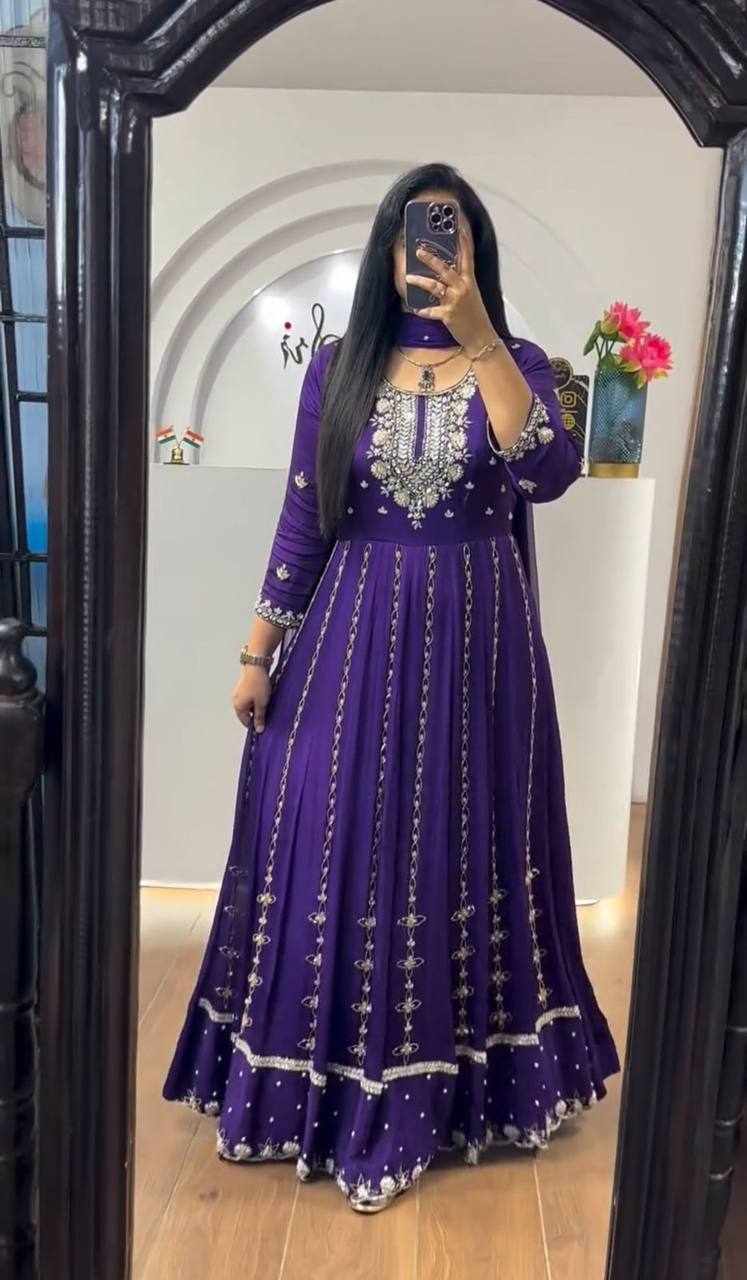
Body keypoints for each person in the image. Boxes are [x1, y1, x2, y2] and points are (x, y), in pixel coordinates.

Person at [163, 162, 621, 1214]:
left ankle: (453, 1092)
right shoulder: (340, 367)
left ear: (477, 254)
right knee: (338, 831)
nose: (432, 257)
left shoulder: (521, 364)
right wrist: (255, 651)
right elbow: (304, 512)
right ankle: (309, 1084)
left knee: (457, 837)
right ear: (386, 253)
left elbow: (547, 471)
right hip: (351, 633)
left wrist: (478, 332)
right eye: (416, 238)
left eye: (452, 238)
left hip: (478, 654)